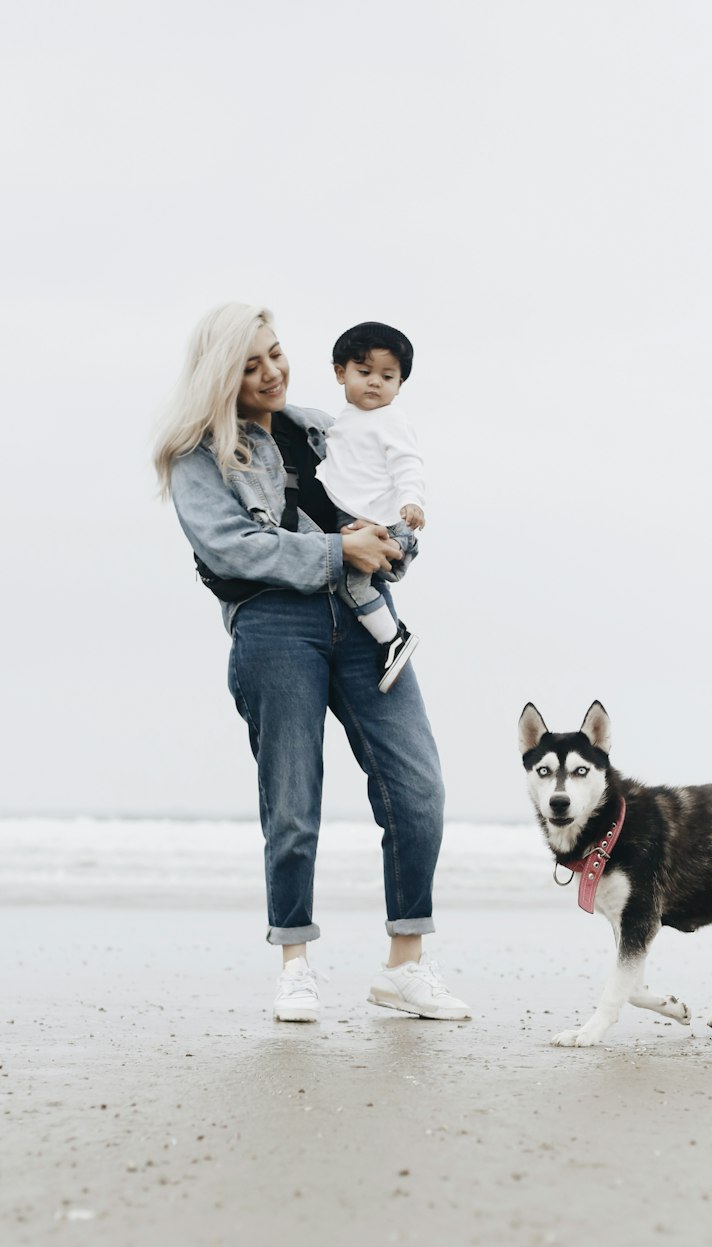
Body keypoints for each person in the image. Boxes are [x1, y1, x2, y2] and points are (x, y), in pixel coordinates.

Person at [153, 302, 470, 1025]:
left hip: (363, 622)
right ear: (219, 374)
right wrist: (336, 549)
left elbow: (387, 507)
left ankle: (405, 965)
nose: (271, 372)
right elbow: (230, 547)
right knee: (293, 803)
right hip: (274, 625)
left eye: (275, 353)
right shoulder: (196, 455)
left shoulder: (326, 428)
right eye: (249, 363)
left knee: (419, 789)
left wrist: (391, 540)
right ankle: (295, 964)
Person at [316, 321, 424, 693]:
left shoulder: (391, 419)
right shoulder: (347, 419)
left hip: (381, 520)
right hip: (359, 518)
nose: (375, 382)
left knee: (350, 583)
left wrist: (412, 500)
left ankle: (393, 638)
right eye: (364, 372)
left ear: (399, 385)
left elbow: (408, 463)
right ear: (339, 373)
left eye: (387, 376)